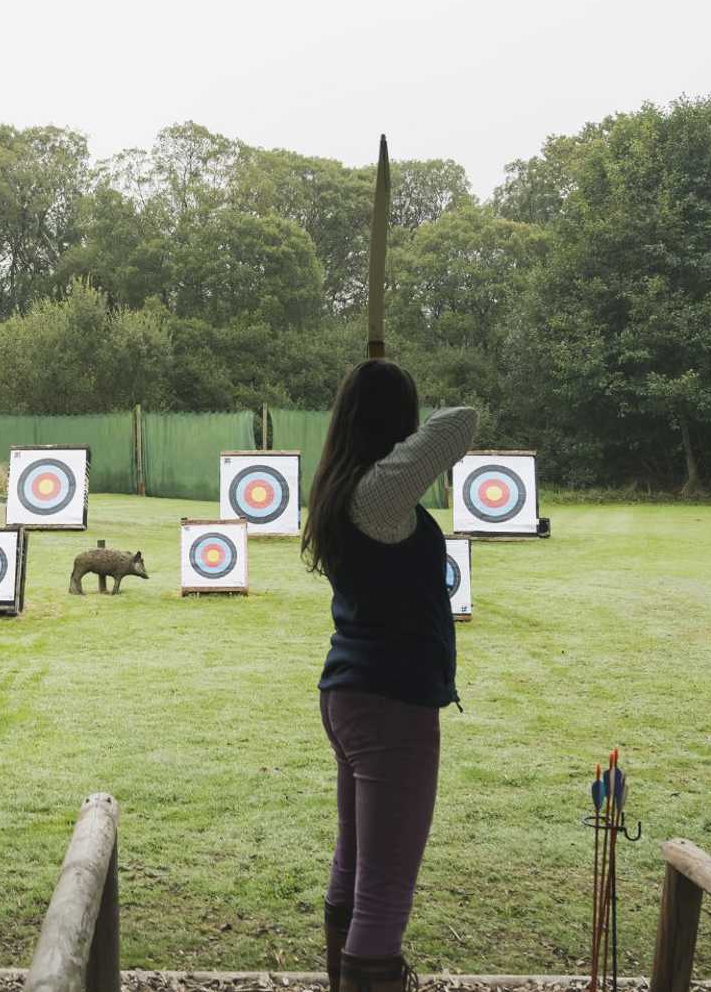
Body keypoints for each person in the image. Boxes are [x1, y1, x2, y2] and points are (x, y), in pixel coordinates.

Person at [301, 359, 478, 992]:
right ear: (393, 424)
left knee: (355, 867)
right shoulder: (377, 494)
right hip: (389, 705)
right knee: (384, 893)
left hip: (353, 696)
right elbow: (460, 423)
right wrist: (393, 390)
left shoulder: (346, 484)